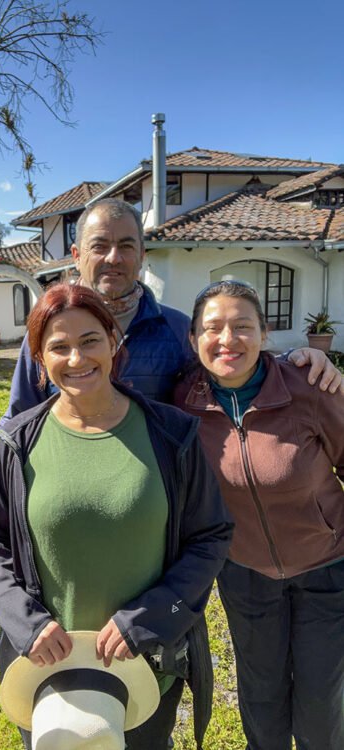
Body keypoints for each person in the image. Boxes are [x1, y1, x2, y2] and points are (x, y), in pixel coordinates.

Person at [0, 282, 234, 750]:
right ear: (38, 358)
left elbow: (210, 535)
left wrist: (150, 618)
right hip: (46, 666)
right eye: (58, 346)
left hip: (145, 662)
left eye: (90, 340)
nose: (77, 358)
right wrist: (26, 622)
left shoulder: (171, 436)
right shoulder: (17, 442)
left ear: (113, 343)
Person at [174, 279, 344, 750]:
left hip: (328, 571)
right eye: (212, 328)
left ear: (265, 333)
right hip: (245, 574)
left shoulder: (308, 386)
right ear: (193, 340)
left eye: (242, 326)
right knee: (261, 697)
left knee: (320, 703)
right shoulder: (181, 405)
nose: (227, 339)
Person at [3, 198, 343, 421]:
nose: (113, 258)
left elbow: (231, 374)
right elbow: (20, 416)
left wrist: (296, 361)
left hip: (158, 497)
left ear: (142, 254)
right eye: (100, 246)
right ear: (77, 255)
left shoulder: (176, 330)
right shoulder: (48, 332)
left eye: (126, 246)